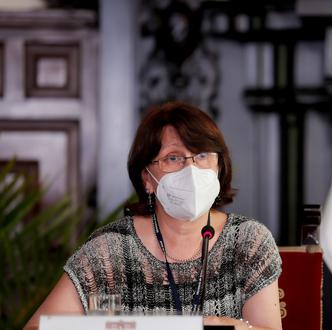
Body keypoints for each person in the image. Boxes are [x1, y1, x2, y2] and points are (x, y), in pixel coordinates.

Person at [25, 102, 283, 330]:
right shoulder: (111, 253)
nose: (191, 169)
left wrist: (234, 329)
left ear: (220, 166)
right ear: (147, 178)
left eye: (202, 155)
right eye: (173, 158)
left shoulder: (248, 242)